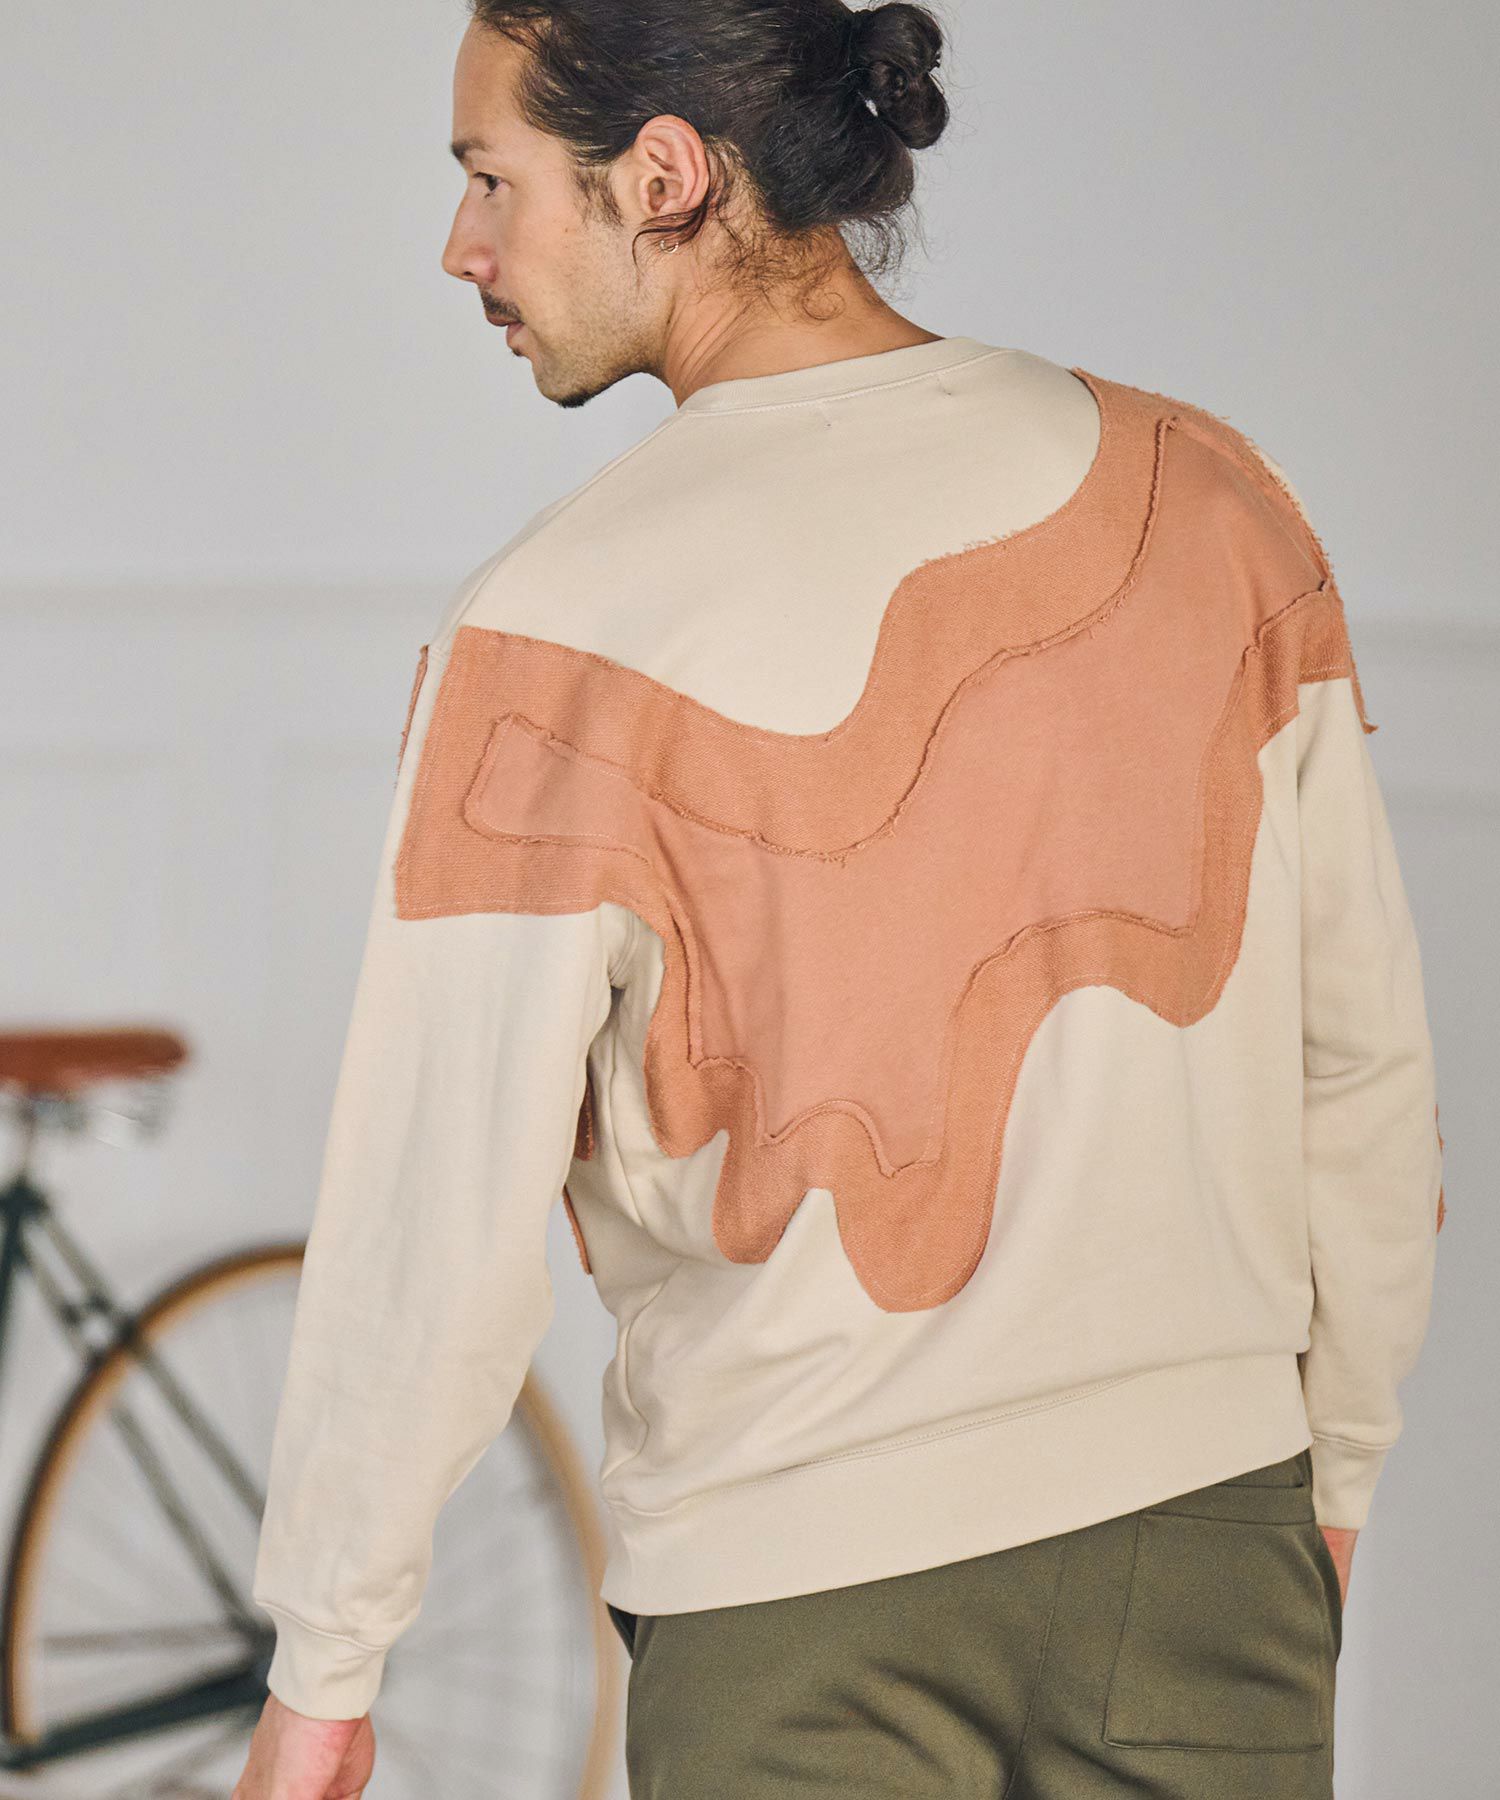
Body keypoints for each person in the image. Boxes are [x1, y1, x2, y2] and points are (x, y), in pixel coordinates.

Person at [232, 3, 1446, 1796]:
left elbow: (436, 1211)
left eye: (493, 179)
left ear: (662, 175)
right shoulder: (1205, 501)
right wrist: (1327, 1475)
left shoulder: (552, 632)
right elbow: (1362, 1065)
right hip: (1206, 1551)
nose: (463, 246)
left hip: (794, 1597)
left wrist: (326, 1669)